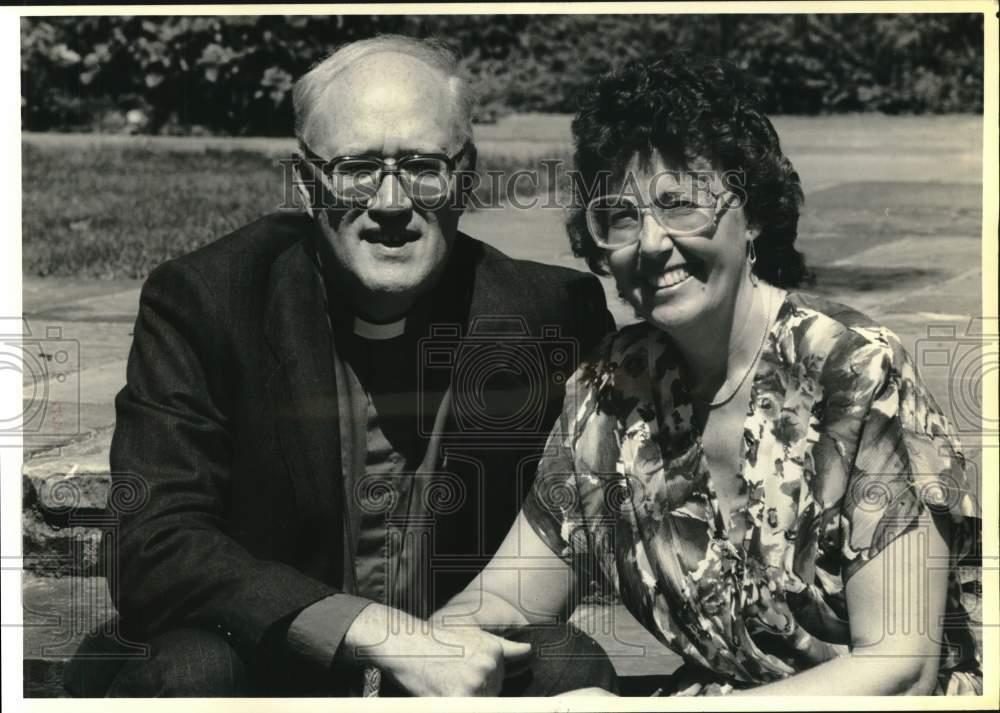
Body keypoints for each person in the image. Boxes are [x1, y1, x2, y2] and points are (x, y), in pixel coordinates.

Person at [63, 35, 617, 697]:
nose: (390, 203)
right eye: (357, 168)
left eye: (422, 166)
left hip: (457, 653)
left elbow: (584, 514)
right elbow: (150, 542)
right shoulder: (207, 300)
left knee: (566, 667)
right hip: (264, 649)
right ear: (305, 182)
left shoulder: (550, 313)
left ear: (467, 174)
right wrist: (373, 632)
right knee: (189, 671)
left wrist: (459, 632)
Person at [432, 54, 982, 696]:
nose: (653, 242)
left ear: (751, 217)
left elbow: (900, 669)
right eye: (621, 218)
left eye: (680, 205)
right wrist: (432, 650)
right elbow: (506, 597)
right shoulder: (609, 393)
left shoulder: (856, 373)